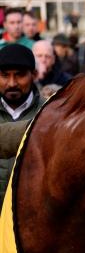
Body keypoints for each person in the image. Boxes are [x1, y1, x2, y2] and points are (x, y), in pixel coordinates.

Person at [0, 45, 45, 206]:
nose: (12, 83)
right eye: (5, 75)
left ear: (34, 75)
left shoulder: (49, 113)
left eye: (20, 75)